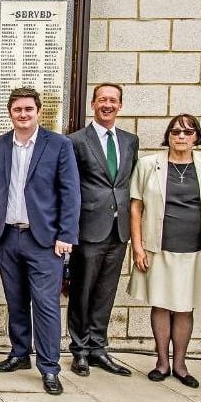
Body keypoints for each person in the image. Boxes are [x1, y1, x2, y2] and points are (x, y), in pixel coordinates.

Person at [0, 87, 80, 396]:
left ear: (38, 112)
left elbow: (70, 192)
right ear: (10, 113)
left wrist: (66, 235)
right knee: (15, 300)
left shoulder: (59, 144)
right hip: (8, 236)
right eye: (17, 110)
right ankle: (19, 353)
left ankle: (50, 367)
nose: (23, 114)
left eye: (28, 109)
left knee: (46, 304)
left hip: (44, 240)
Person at [127, 114, 201, 388]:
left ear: (197, 137)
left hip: (195, 249)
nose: (181, 137)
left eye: (187, 132)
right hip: (158, 247)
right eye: (176, 132)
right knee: (160, 303)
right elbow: (136, 207)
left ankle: (180, 364)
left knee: (184, 307)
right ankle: (161, 362)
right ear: (168, 135)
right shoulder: (148, 165)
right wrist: (138, 246)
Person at [67, 83, 139, 377]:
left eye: (113, 100)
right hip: (89, 227)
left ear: (120, 105)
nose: (107, 105)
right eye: (102, 100)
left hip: (118, 229)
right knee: (82, 291)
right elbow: (70, 187)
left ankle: (99, 348)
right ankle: (80, 350)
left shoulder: (130, 140)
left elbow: (127, 182)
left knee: (106, 292)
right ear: (92, 104)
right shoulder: (76, 141)